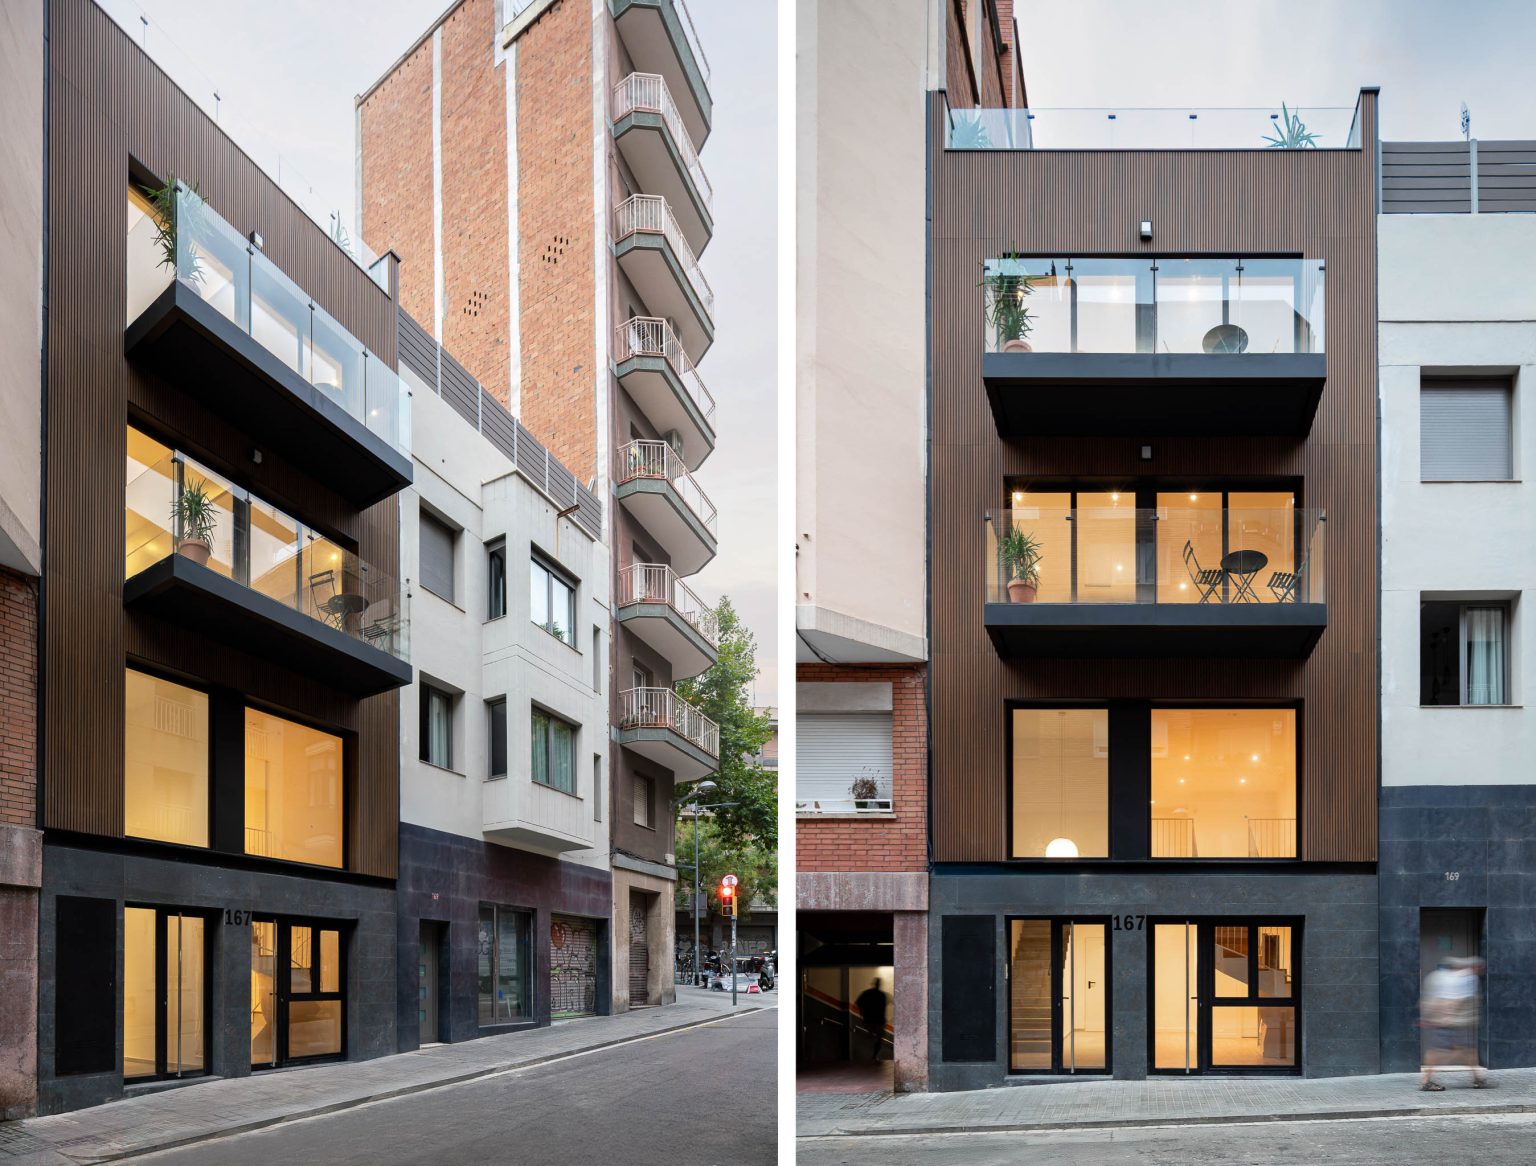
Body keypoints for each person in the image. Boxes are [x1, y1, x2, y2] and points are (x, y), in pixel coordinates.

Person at [1420, 956, 1488, 1090]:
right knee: (1441, 1051)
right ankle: (1426, 1082)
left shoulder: (1440, 976)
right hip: (1453, 1022)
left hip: (1450, 1021)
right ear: (1476, 967)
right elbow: (1456, 1000)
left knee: (1466, 1050)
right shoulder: (1467, 978)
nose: (1481, 971)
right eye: (1480, 968)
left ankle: (1477, 1078)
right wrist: (1448, 1016)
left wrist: (1428, 1015)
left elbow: (1431, 999)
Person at [855, 978, 889, 1062]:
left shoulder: (867, 993)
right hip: (876, 1020)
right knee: (879, 1038)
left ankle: (873, 1054)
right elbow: (883, 1009)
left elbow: (858, 1002)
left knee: (877, 1037)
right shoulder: (881, 995)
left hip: (871, 1020)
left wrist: (862, 1015)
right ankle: (874, 1055)